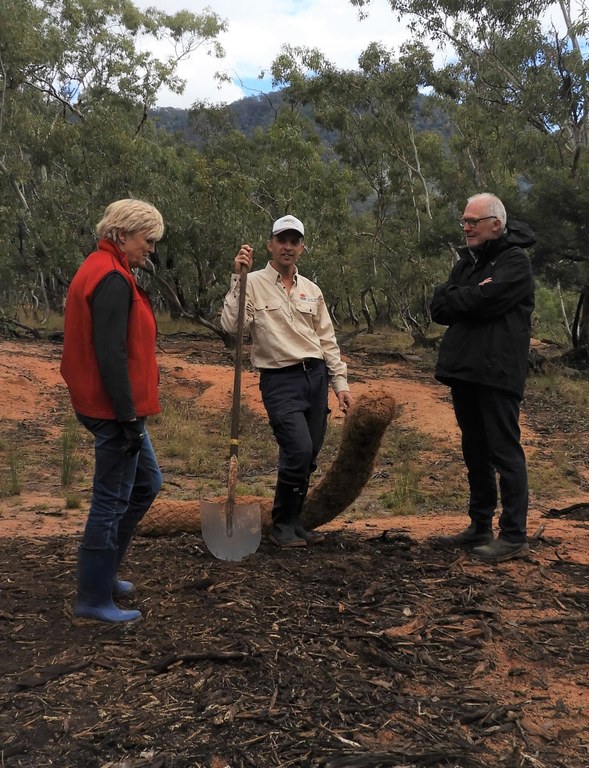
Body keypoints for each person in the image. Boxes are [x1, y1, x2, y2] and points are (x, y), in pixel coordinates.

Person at [221, 215, 353, 549]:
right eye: (282, 240)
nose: (288, 247)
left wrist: (340, 385)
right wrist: (238, 280)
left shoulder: (312, 290)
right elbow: (232, 327)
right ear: (270, 244)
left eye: (295, 241)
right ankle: (281, 525)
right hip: (280, 379)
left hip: (316, 376)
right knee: (298, 448)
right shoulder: (253, 283)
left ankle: (295, 523)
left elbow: (327, 340)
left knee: (309, 455)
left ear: (302, 247)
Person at [60, 199, 164, 622]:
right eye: (148, 240)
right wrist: (125, 420)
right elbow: (111, 354)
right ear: (123, 235)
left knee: (146, 484)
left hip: (117, 407)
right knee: (110, 501)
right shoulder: (112, 279)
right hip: (114, 410)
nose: (151, 250)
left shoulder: (105, 268)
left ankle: (103, 575)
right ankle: (92, 599)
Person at [431, 193, 535, 564]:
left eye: (473, 221)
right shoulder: (466, 264)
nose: (466, 227)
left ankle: (513, 535)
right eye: (464, 221)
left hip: (498, 373)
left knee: (504, 451)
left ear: (496, 223)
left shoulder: (515, 262)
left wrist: (467, 296)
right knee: (475, 451)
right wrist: (470, 293)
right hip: (465, 372)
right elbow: (439, 307)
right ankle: (479, 526)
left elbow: (486, 301)